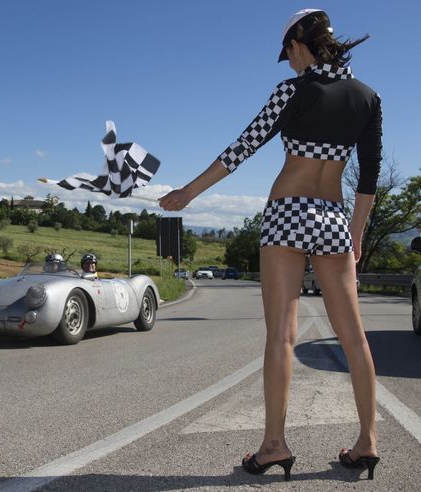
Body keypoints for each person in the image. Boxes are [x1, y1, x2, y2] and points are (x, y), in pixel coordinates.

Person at [159, 9, 381, 481]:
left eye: (288, 55)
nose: (288, 64)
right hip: (334, 218)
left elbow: (240, 150)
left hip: (287, 212)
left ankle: (274, 445)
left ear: (299, 45)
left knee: (281, 333)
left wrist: (187, 194)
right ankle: (367, 441)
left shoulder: (292, 92)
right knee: (354, 336)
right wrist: (355, 237)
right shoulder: (368, 98)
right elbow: (369, 182)